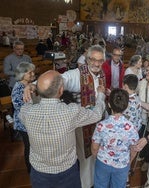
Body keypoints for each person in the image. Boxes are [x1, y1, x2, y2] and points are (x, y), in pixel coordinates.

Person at [24, 45, 107, 188]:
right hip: (81, 124)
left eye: (100, 60)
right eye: (93, 59)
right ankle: (87, 184)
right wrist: (33, 85)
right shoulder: (76, 74)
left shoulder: (101, 73)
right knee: (85, 159)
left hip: (97, 122)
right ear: (87, 59)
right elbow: (56, 80)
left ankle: (93, 181)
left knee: (96, 154)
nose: (96, 63)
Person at [91, 88, 139, 188]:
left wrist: (97, 157)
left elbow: (94, 146)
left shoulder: (101, 125)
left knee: (100, 185)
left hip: (103, 162)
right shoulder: (131, 128)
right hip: (122, 164)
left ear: (109, 104)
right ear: (126, 106)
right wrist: (129, 161)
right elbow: (134, 149)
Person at [11, 62, 36, 174]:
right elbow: (20, 108)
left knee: (32, 147)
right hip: (23, 124)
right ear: (22, 74)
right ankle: (30, 170)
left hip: (30, 122)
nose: (32, 74)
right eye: (29, 72)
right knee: (29, 147)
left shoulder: (28, 85)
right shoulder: (18, 88)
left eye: (33, 71)